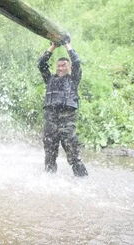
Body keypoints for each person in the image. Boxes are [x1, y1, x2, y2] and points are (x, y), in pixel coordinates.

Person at [37, 40, 88, 177]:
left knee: (73, 154)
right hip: (51, 121)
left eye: (63, 65)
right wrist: (52, 46)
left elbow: (77, 62)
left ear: (69, 67)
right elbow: (41, 64)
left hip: (67, 121)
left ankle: (82, 180)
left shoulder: (73, 79)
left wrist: (67, 45)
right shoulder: (49, 79)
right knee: (49, 155)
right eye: (58, 66)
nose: (60, 68)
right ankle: (49, 182)